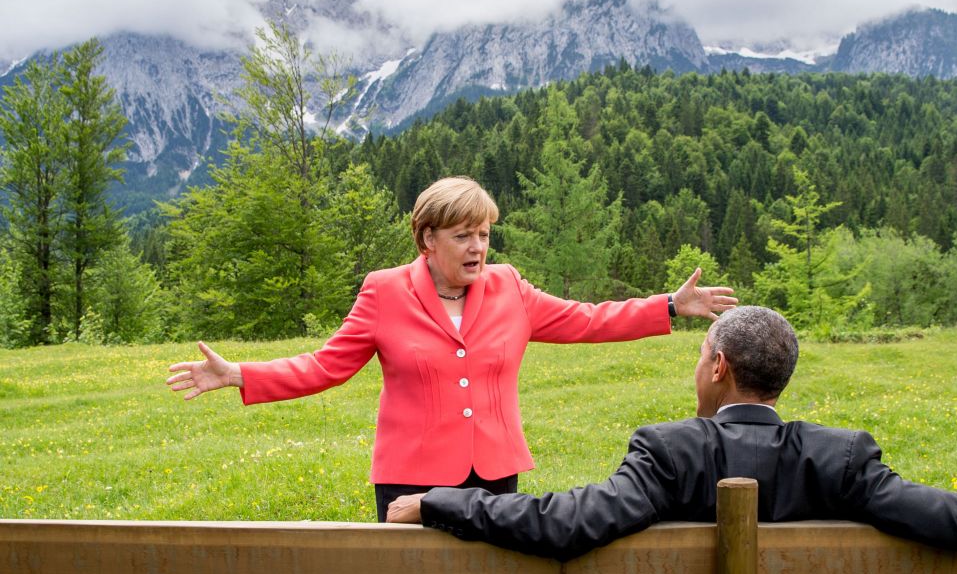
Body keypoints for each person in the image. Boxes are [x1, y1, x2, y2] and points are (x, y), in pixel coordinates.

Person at [166, 176, 737, 522]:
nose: (478, 247)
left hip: (493, 472)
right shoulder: (384, 291)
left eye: (484, 234)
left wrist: (666, 306)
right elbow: (325, 365)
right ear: (427, 239)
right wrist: (240, 374)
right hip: (410, 475)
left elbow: (585, 320)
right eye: (463, 235)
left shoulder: (510, 286)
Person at [387, 306, 957, 560]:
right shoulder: (841, 458)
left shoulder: (668, 451)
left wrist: (440, 502)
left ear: (716, 367)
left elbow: (568, 523)